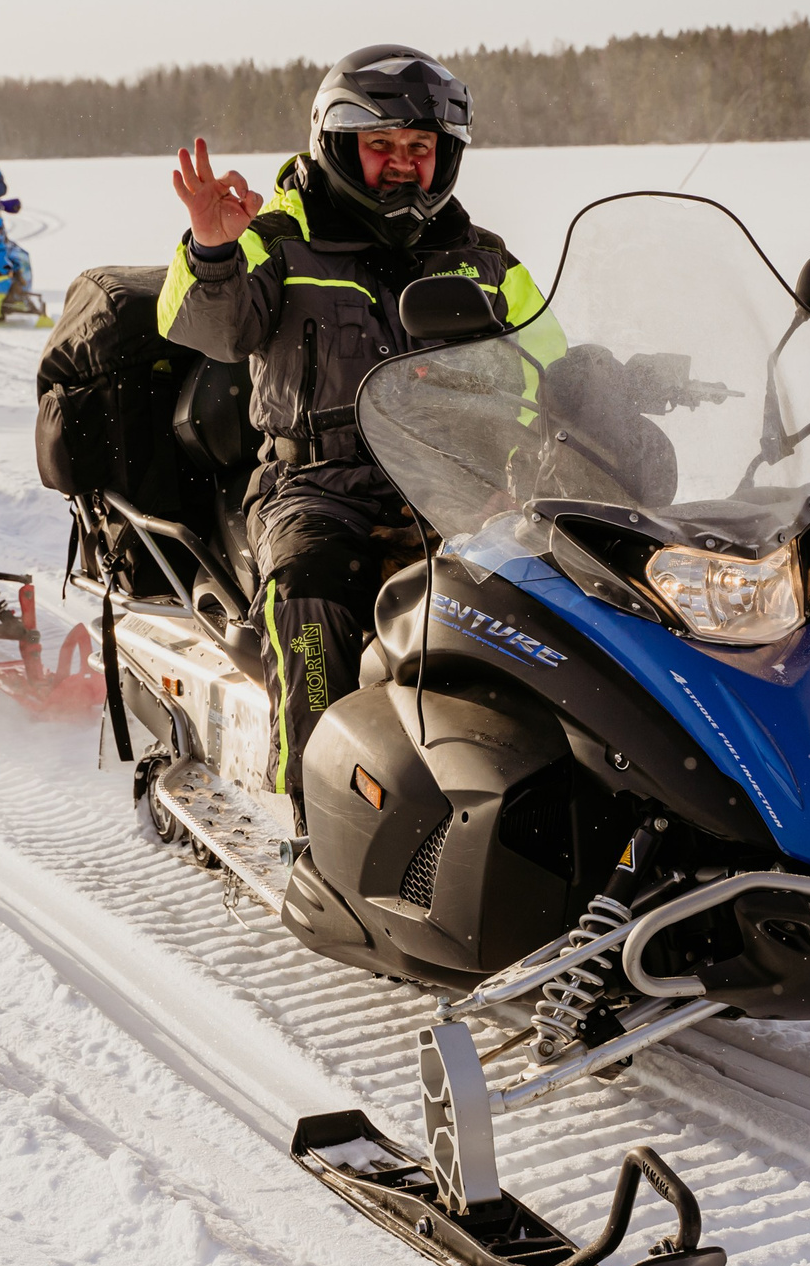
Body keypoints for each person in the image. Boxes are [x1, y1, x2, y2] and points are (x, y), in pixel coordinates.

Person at [158, 45, 545, 808]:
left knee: (546, 591)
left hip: (450, 485)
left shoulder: (481, 257)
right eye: (382, 147)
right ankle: (315, 811)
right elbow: (203, 325)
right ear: (338, 145)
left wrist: (616, 379)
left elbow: (549, 357)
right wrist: (213, 249)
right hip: (316, 485)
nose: (403, 165)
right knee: (312, 590)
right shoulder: (277, 236)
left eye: (418, 148)